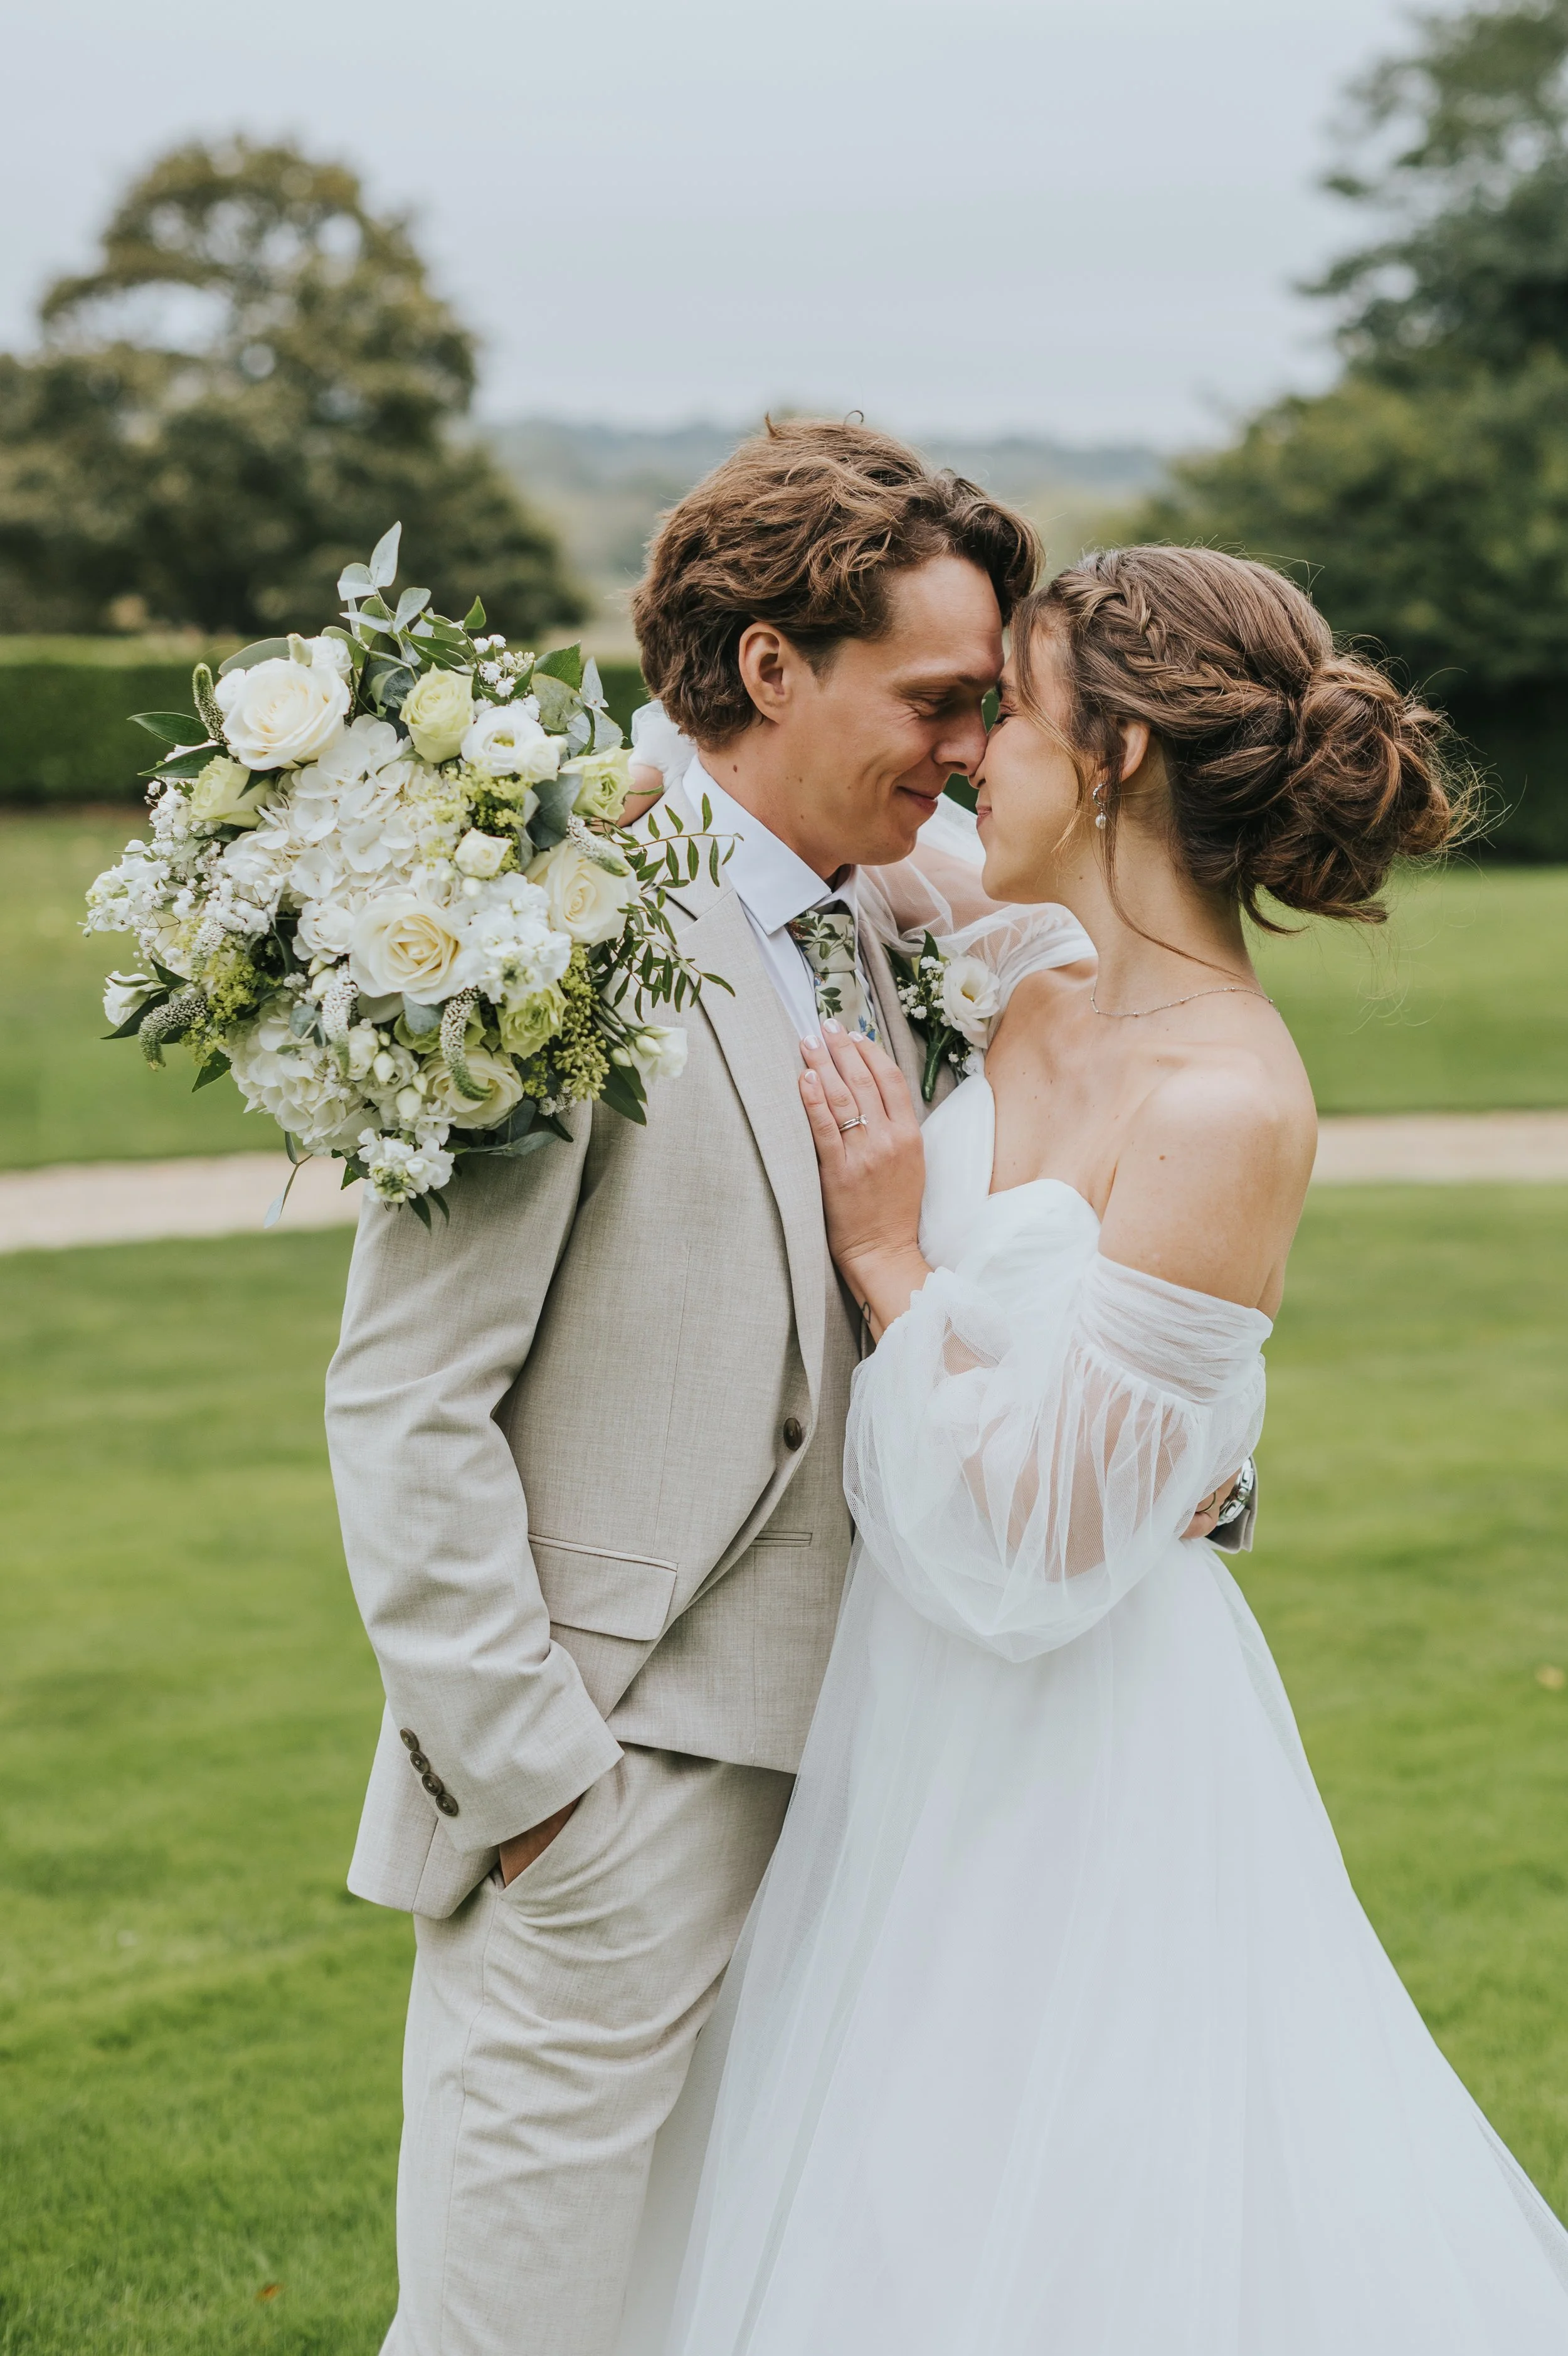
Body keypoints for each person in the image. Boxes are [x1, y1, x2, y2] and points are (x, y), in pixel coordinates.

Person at [642, 546, 1568, 2353]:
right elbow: (751, 795)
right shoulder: (1023, 971)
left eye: (1009, 715)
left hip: (1067, 1737)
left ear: (1117, 757)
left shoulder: (1225, 1102)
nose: (969, 752)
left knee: (1029, 2201)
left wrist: (894, 1255)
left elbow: (1047, 1543)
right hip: (892, 1708)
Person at [324, 418, 1097, 2356]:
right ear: (771, 667)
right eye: (934, 698)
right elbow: (405, 1400)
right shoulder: (546, 935)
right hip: (609, 1781)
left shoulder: (878, 918)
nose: (967, 750)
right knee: (523, 2326)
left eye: (987, 706)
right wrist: (532, 1793)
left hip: (867, 1779)